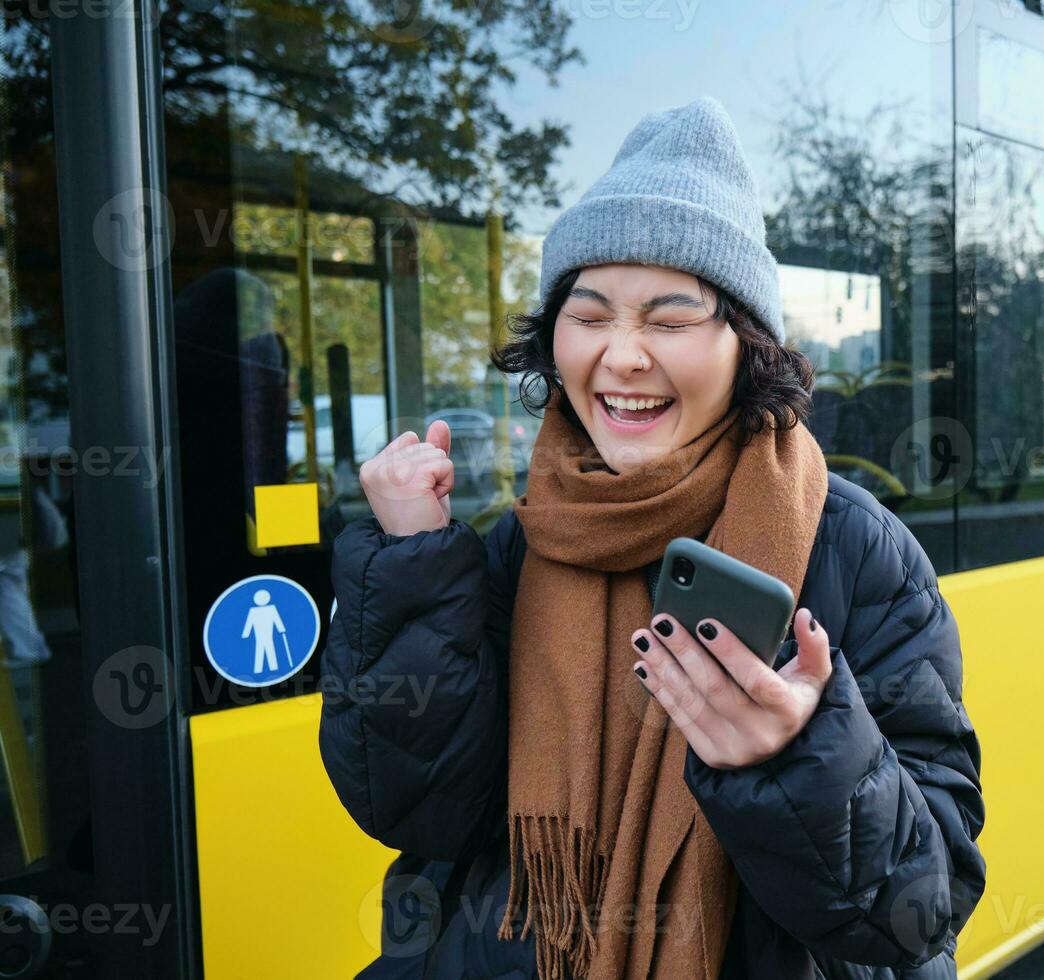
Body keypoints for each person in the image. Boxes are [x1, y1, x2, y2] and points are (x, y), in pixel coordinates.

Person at [319, 95, 986, 980]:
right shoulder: (514, 541)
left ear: (747, 346)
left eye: (669, 321)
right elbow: (421, 813)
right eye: (590, 316)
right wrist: (410, 564)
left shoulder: (859, 552)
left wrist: (797, 755)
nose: (623, 356)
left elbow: (922, 910)